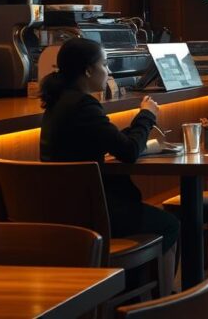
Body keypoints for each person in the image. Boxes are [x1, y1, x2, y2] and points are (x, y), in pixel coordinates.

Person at [39, 38, 180, 279]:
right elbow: (129, 152)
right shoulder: (83, 105)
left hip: (62, 209)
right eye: (104, 64)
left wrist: (126, 135)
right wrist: (146, 115)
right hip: (93, 213)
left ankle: (130, 292)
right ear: (88, 70)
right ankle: (149, 297)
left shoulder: (59, 102)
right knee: (170, 224)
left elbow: (105, 140)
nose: (108, 71)